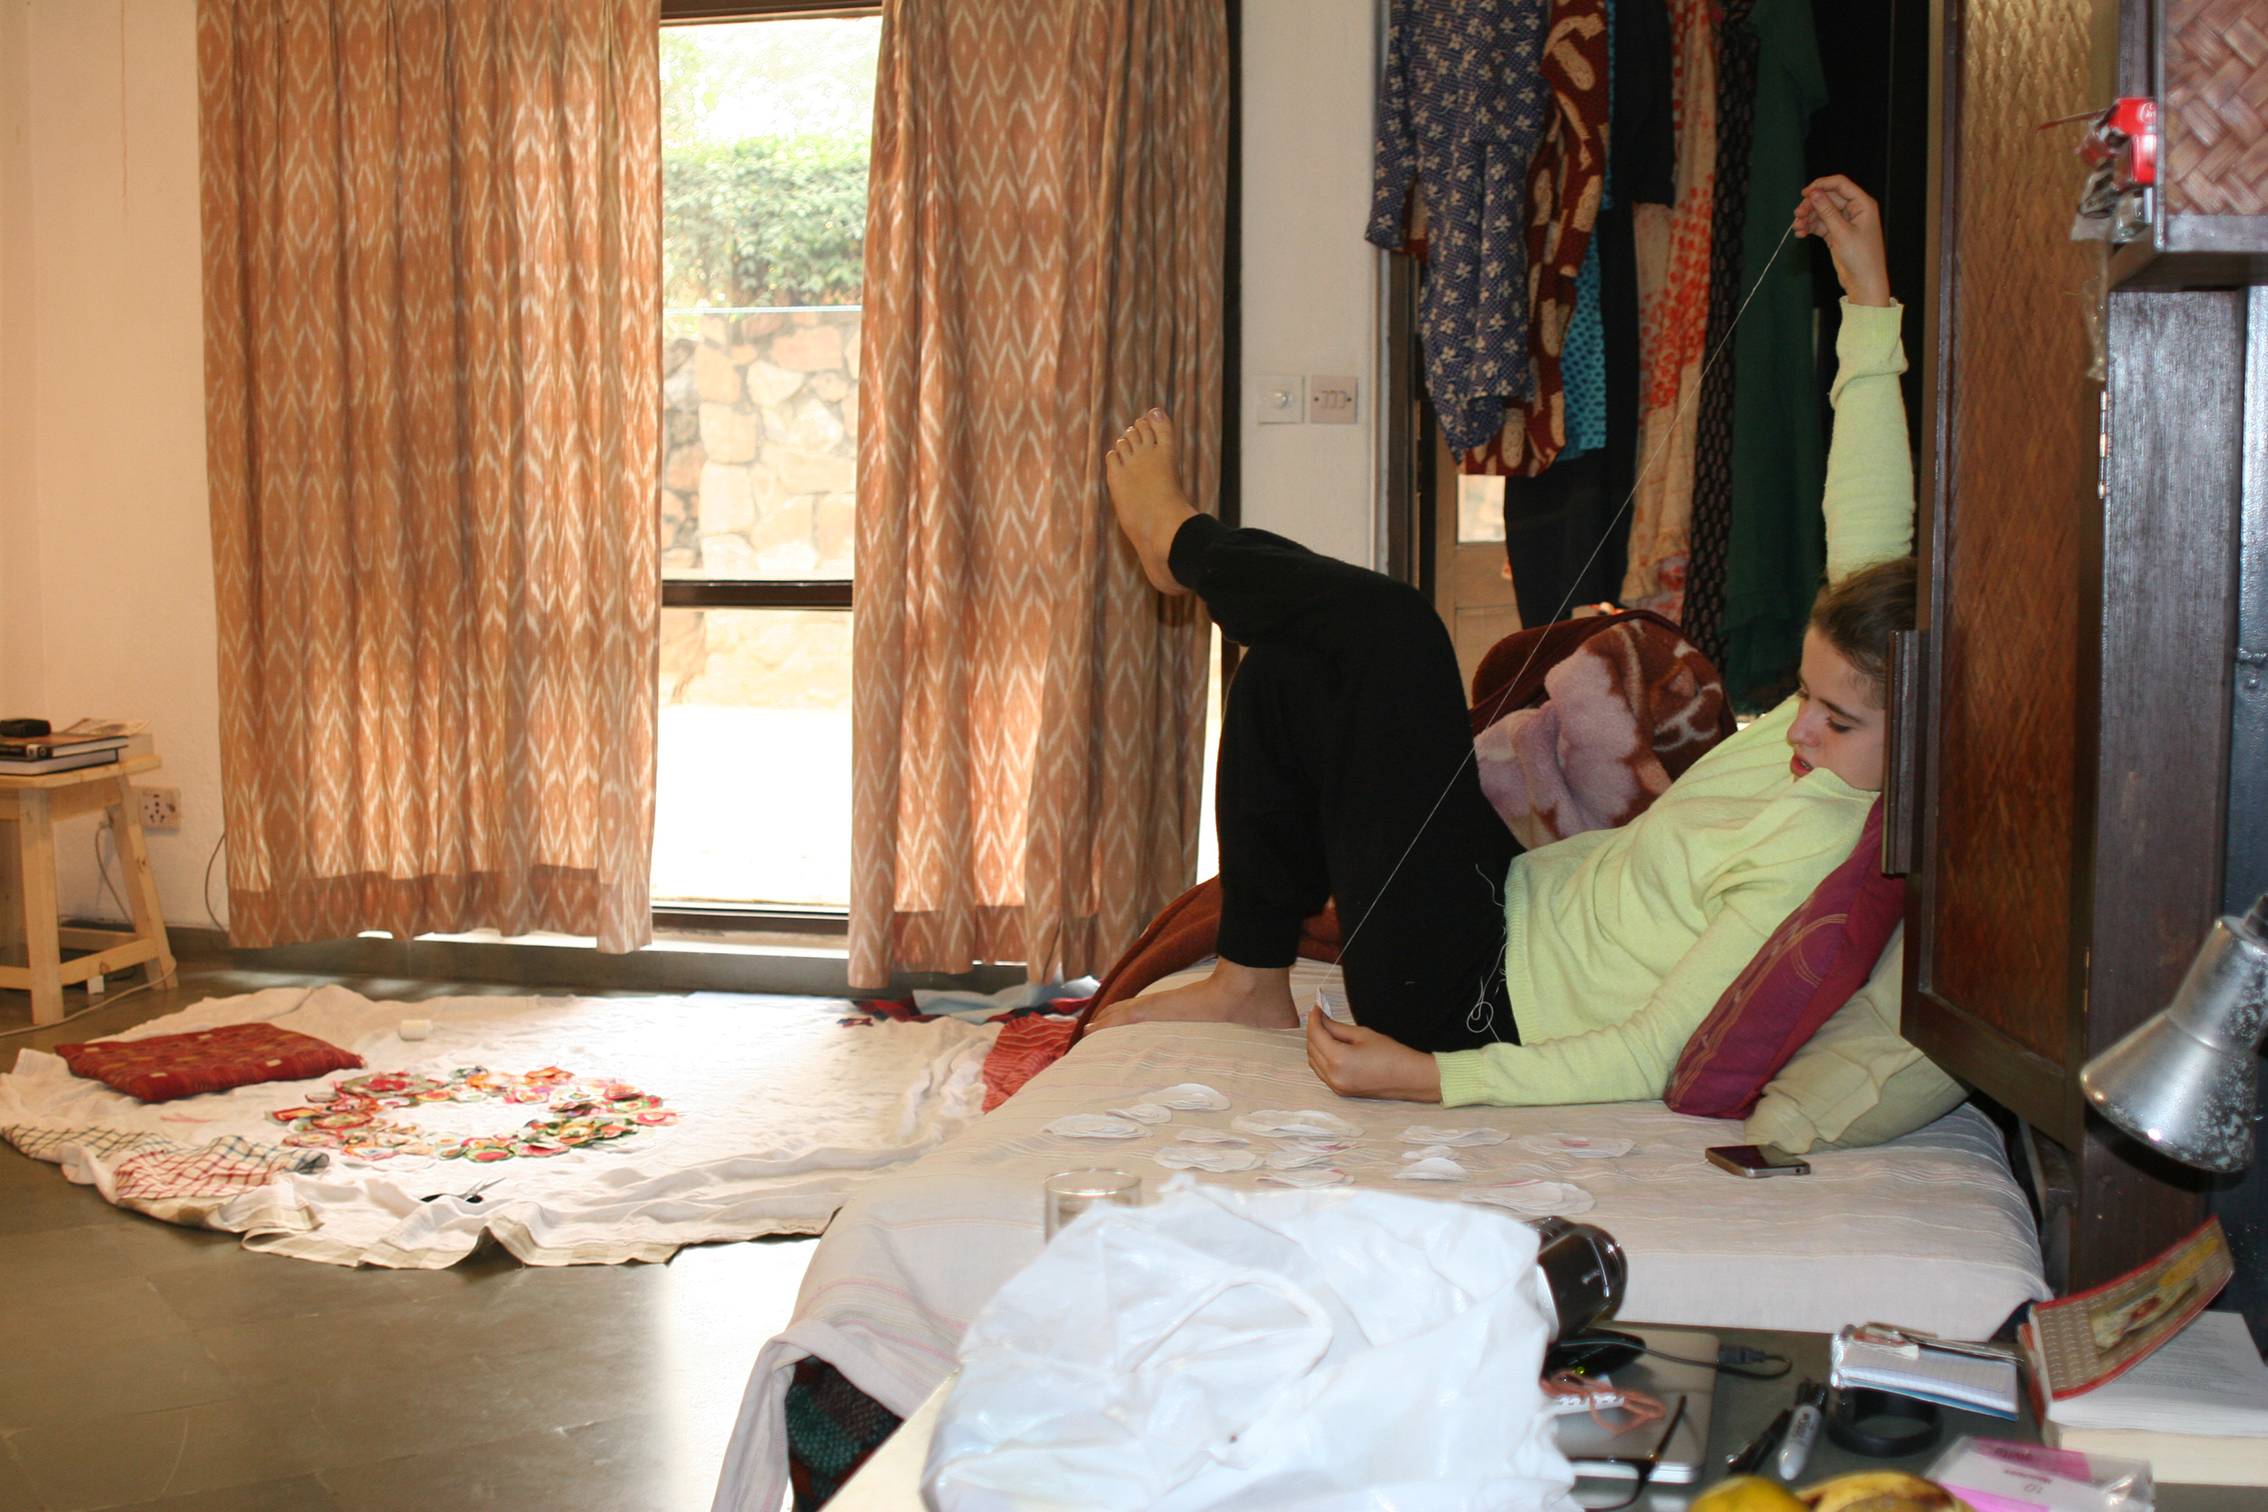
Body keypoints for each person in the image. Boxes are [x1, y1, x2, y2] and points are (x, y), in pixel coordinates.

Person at [1092, 175, 1915, 1109]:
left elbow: (1651, 1053)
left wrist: (1433, 1076)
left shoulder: (1820, 858)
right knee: (1298, 667)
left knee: (1394, 631)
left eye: (1837, 720)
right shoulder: (1869, 704)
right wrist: (1868, 302)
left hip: (1471, 1001)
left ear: (1924, 731)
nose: (1799, 729)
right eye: (1806, 698)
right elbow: (1872, 526)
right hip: (1507, 903)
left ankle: (1183, 545)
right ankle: (1248, 983)